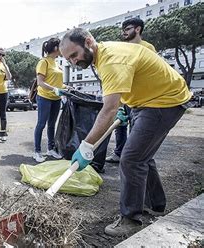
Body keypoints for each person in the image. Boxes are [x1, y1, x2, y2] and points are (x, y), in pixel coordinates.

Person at [59, 28, 191, 236]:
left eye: (74, 55)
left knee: (131, 158)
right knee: (141, 154)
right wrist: (124, 106)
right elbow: (122, 89)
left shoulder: (111, 60)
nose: (73, 62)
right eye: (69, 60)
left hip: (164, 101)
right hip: (145, 101)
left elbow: (108, 109)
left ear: (88, 41)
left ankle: (130, 218)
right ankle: (155, 205)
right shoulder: (102, 56)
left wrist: (87, 145)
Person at [106, 17, 157, 163]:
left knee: (135, 128)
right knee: (120, 125)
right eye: (123, 30)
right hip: (125, 95)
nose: (124, 33)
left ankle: (132, 155)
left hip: (141, 98)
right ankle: (118, 153)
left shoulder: (148, 48)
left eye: (127, 29)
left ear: (138, 29)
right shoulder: (124, 49)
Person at [32, 38, 69, 162]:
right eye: (61, 46)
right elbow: (40, 82)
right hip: (44, 97)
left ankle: (50, 149)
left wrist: (66, 87)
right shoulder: (43, 62)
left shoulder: (57, 63)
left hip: (56, 98)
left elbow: (58, 83)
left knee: (52, 124)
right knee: (41, 124)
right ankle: (37, 151)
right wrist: (55, 89)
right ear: (55, 48)